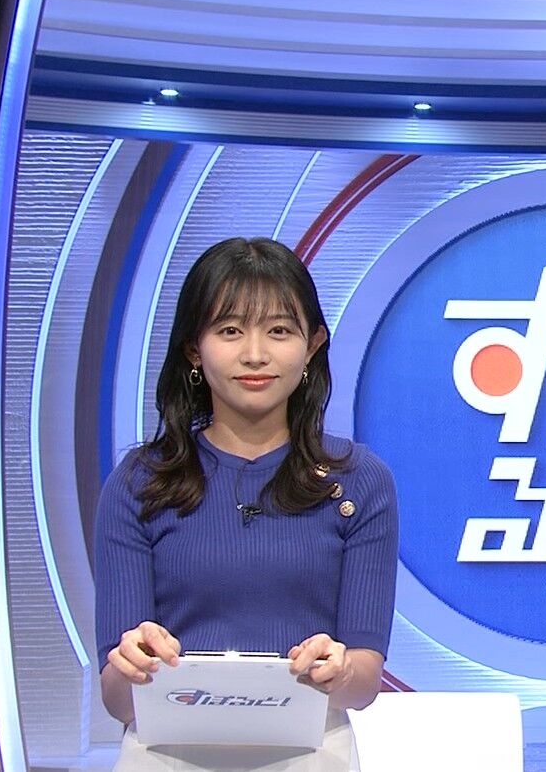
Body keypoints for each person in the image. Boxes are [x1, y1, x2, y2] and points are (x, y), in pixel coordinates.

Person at [93, 237, 398, 740]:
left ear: (312, 345)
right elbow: (117, 700)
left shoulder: (359, 482)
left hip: (310, 750)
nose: (255, 355)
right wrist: (132, 669)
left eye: (279, 331)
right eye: (230, 330)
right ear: (194, 348)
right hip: (169, 751)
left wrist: (340, 673)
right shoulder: (140, 483)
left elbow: (364, 683)